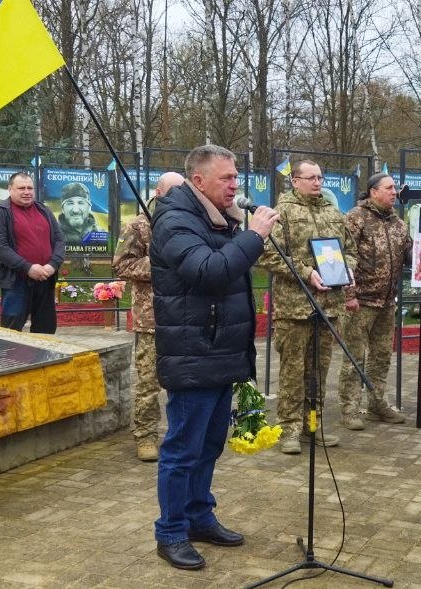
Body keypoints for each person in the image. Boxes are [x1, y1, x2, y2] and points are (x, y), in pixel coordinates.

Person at [150, 145, 279, 570]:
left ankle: (199, 517)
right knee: (182, 450)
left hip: (221, 351)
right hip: (193, 354)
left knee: (208, 445)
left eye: (236, 176)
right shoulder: (175, 220)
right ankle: (171, 531)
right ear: (199, 181)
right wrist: (252, 236)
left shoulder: (219, 218)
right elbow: (209, 271)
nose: (234, 184)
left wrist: (243, 231)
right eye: (226, 178)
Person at [257, 160, 357, 455]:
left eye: (320, 177)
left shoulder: (333, 212)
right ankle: (288, 429)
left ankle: (312, 427)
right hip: (295, 308)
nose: (317, 182)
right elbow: (269, 255)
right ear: (295, 181)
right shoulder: (282, 212)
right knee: (293, 372)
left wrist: (347, 268)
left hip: (328, 307)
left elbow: (350, 250)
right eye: (311, 178)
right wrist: (306, 272)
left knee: (318, 372)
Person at [112, 171, 185, 462]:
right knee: (148, 381)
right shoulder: (139, 225)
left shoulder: (188, 222)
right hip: (152, 318)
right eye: (173, 191)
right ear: (158, 192)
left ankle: (180, 434)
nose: (178, 197)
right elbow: (122, 265)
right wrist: (162, 264)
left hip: (185, 317)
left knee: (184, 380)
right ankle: (145, 435)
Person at [338, 173, 411, 430]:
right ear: (373, 191)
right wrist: (349, 295)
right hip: (360, 302)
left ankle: (377, 405)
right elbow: (343, 256)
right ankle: (349, 409)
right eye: (389, 188)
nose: (394, 192)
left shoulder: (398, 223)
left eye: (395, 188)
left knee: (381, 357)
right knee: (354, 358)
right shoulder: (356, 218)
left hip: (387, 302)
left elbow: (410, 255)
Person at [0, 172, 65, 333]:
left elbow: (59, 240)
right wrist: (27, 267)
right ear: (10, 189)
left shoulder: (44, 210)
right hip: (16, 281)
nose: (27, 192)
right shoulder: (0, 212)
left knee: (46, 328)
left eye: (30, 188)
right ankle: (11, 352)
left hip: (45, 279)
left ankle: (44, 351)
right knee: (11, 329)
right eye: (21, 188)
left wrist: (53, 265)